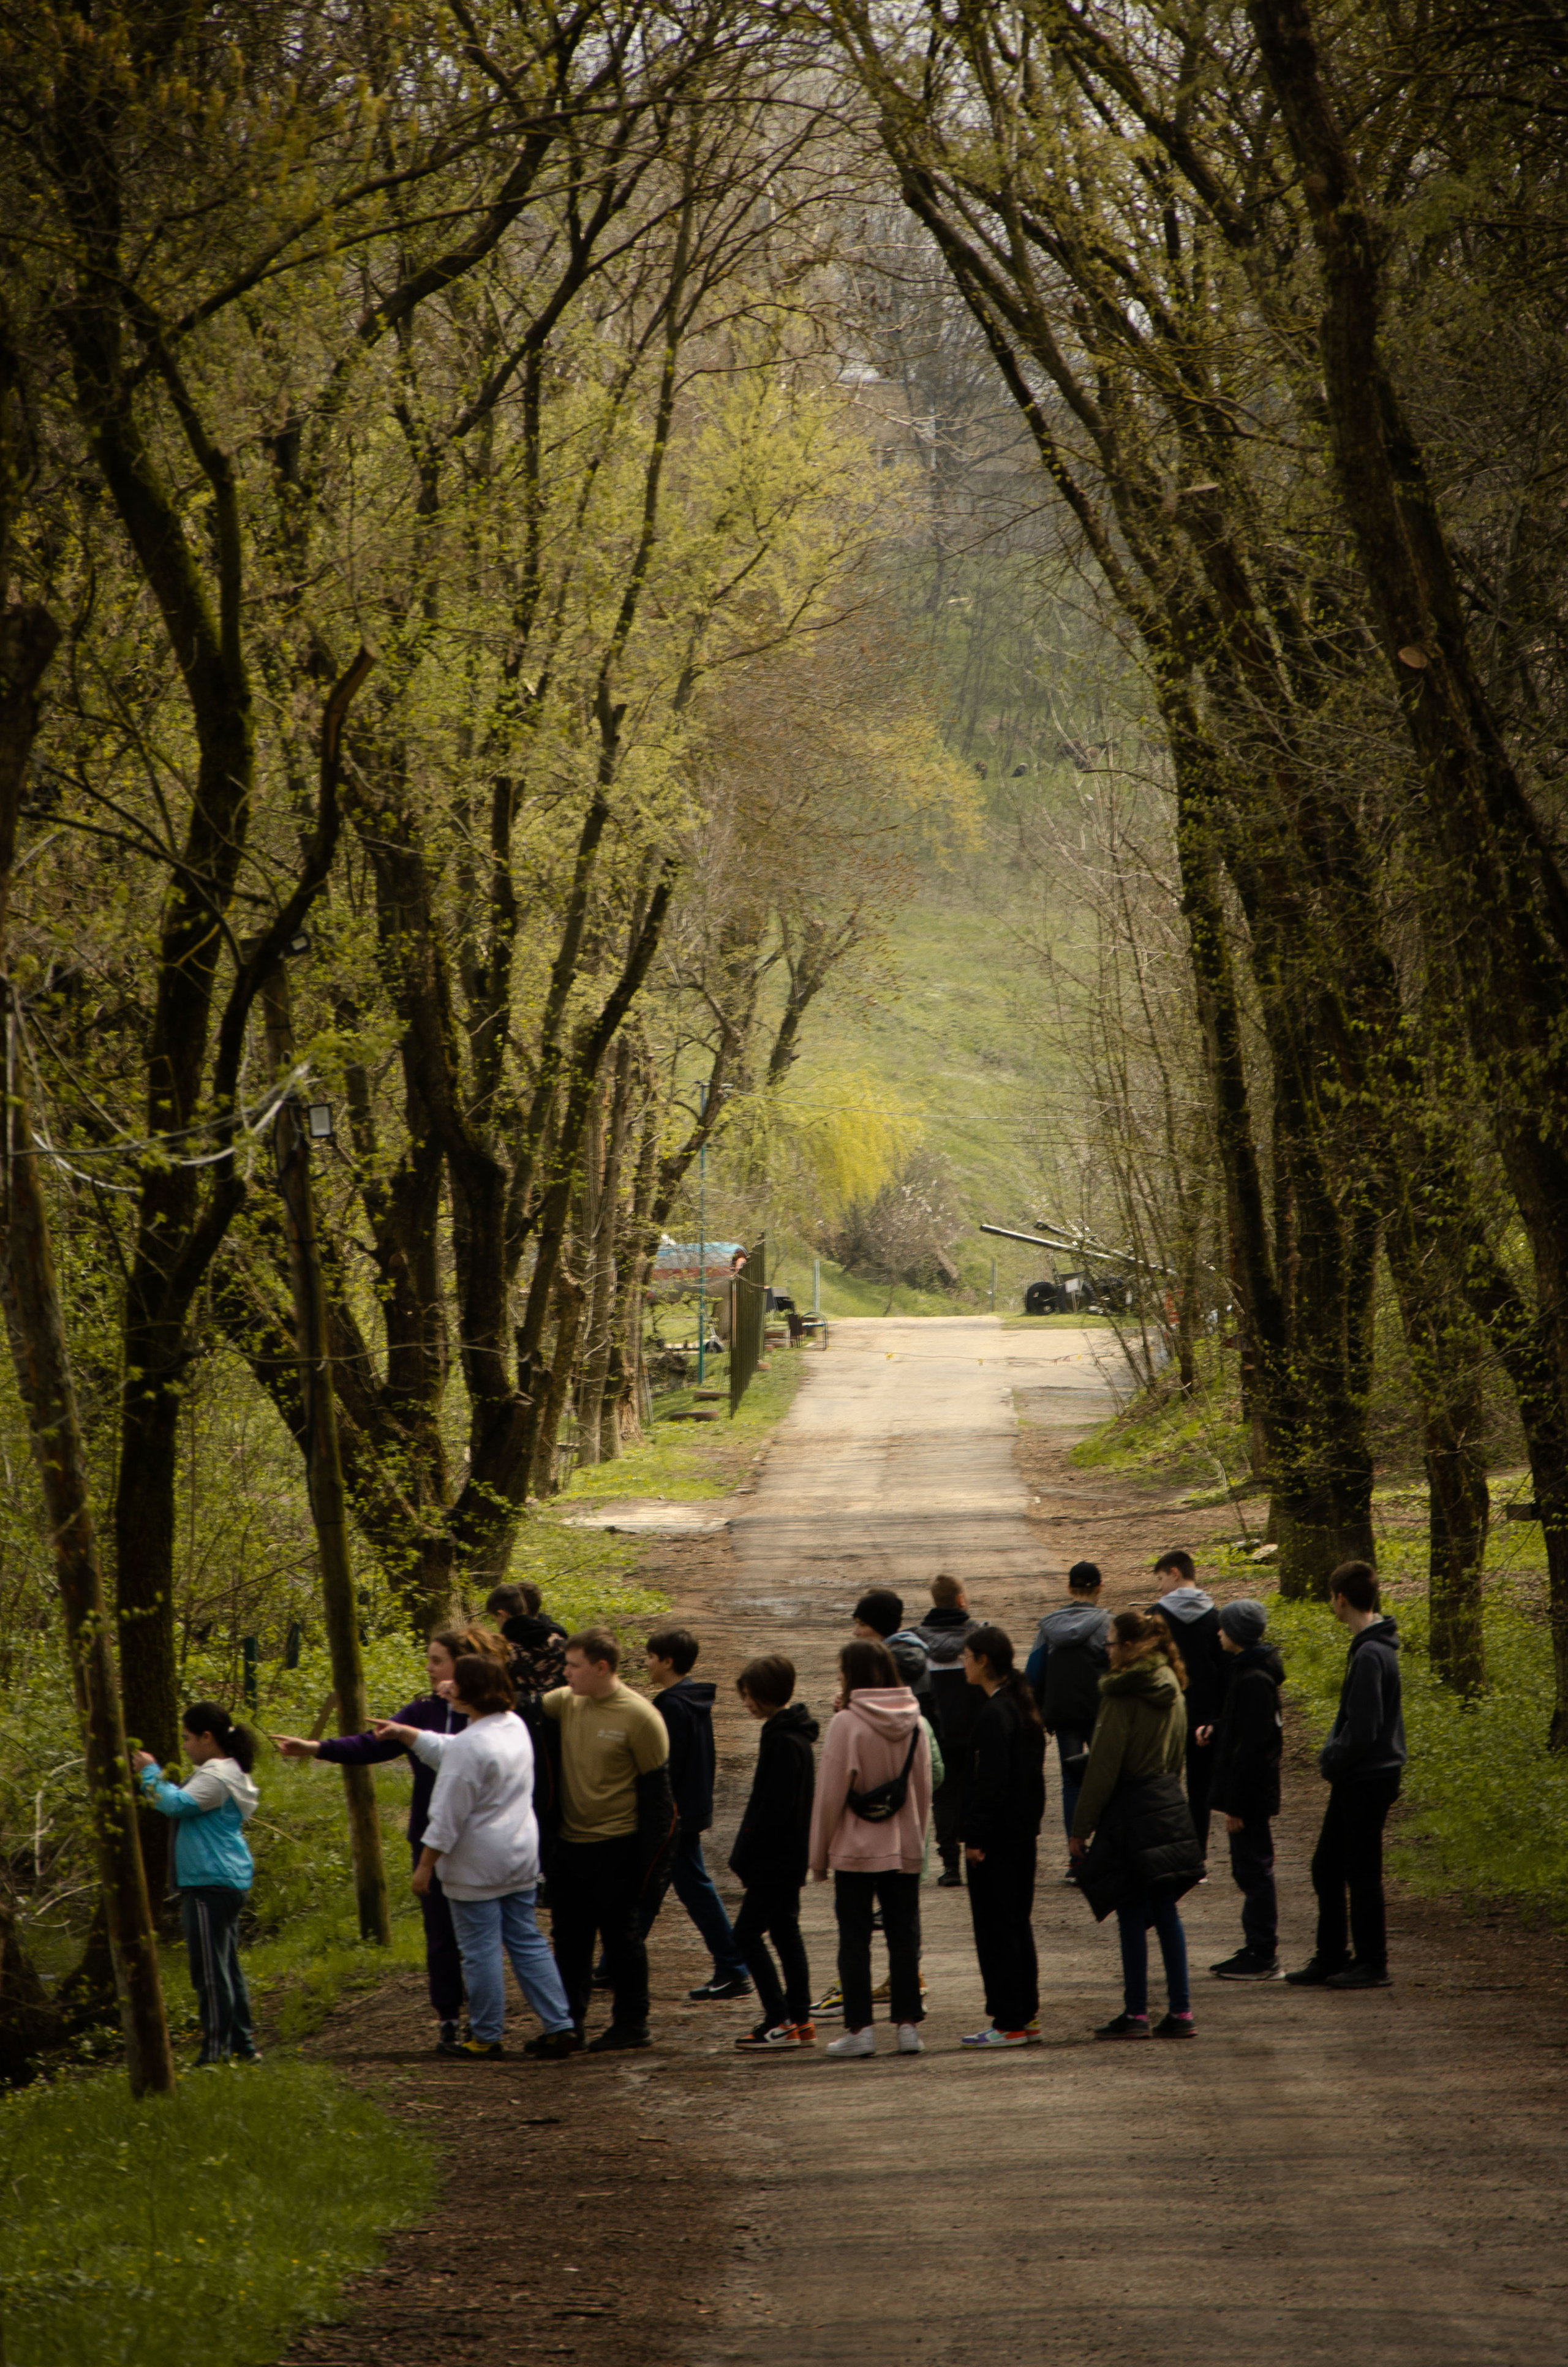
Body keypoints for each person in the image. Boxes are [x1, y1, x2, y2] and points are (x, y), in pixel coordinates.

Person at [273, 1622, 507, 2052]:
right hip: (430, 1840)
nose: (430, 1668)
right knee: (440, 1934)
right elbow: (372, 1745)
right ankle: (449, 2020)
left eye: (437, 1660)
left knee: (484, 1936)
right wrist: (315, 1748)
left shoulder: (495, 1714)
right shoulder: (422, 1712)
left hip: (483, 1841)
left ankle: (488, 2021)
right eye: (430, 1660)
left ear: (464, 1663)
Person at [375, 1655, 578, 2060]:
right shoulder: (513, 1725)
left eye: (456, 1682)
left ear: (471, 1691)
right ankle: (560, 2025)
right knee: (527, 1941)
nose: (447, 1686)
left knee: (480, 1949)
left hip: (476, 1867)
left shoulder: (471, 1744)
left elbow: (447, 1816)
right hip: (519, 1854)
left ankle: (485, 2036)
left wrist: (426, 1864)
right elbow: (456, 1749)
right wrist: (407, 1734)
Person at [1071, 1610, 1204, 2040]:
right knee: (1165, 1910)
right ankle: (1181, 2011)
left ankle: (1137, 2012)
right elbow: (1180, 1756)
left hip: (1130, 1807)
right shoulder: (1174, 1687)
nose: (1105, 1650)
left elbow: (1104, 1766)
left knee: (1130, 1907)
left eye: (1110, 1643)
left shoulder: (1121, 1694)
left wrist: (1081, 1826)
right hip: (1167, 1800)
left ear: (1129, 1647)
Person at [542, 1627, 677, 2051]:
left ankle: (632, 2024)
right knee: (569, 1941)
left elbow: (659, 1799)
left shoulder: (641, 1718)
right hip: (569, 1847)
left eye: (573, 1666)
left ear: (602, 1668)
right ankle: (568, 2025)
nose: (566, 1673)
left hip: (617, 1848)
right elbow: (512, 1710)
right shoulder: (564, 1702)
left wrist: (651, 1866)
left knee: (622, 1940)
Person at [809, 1637, 932, 2059]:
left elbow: (829, 1794)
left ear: (855, 1675)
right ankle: (907, 2026)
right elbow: (923, 1790)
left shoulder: (846, 1724)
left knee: (854, 1938)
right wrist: (916, 1838)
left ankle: (860, 2029)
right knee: (903, 1936)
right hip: (903, 1847)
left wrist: (818, 1855)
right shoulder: (915, 1720)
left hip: (855, 1848)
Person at [1287, 1560, 1406, 1990]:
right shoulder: (1372, 1645)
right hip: (1363, 1775)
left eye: (1330, 1597)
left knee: (1360, 1870)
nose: (1330, 1604)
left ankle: (1373, 1962)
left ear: (1341, 1598)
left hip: (1368, 1776)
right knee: (1328, 1866)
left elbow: (1365, 1727)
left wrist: (1332, 1758)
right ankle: (1333, 1956)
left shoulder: (1372, 1653)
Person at [134, 1702, 261, 2066]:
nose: (185, 1746)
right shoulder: (221, 1772)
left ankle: (216, 2050)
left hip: (210, 1883)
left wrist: (149, 1771)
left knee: (209, 1970)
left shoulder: (217, 1776)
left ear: (208, 1737)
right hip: (222, 1880)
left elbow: (173, 1805)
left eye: (188, 1738)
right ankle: (242, 2044)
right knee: (226, 1967)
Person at [639, 1628, 750, 2001]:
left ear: (668, 1661)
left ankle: (733, 1967)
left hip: (674, 1815)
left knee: (690, 1890)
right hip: (688, 1810)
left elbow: (665, 1766)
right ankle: (614, 1963)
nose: (647, 1663)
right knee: (648, 1888)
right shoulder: (692, 1700)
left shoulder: (671, 1705)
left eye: (651, 1657)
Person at [959, 1625, 1046, 2048]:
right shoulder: (1020, 1704)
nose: (962, 1663)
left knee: (997, 1929)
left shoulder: (997, 1713)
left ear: (984, 1660)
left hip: (997, 1841)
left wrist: (974, 1836)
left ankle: (1009, 2018)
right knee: (1015, 1924)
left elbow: (989, 1782)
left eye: (967, 1656)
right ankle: (1025, 2014)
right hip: (1020, 1836)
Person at [730, 1654, 820, 2050]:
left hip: (775, 1858)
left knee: (746, 1934)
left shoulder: (782, 1740)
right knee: (785, 1932)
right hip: (790, 1857)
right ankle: (800, 2019)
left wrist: (747, 1849)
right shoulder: (792, 1733)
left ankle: (778, 2016)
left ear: (766, 1694)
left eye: (749, 1696)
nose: (746, 1704)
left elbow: (771, 1807)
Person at [1204, 1599, 1286, 1980]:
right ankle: (1256, 1944)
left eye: (1223, 1628)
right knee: (1248, 1868)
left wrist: (1235, 1805)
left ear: (1235, 1633)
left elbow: (1253, 1749)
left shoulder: (1254, 1680)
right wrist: (1217, 1729)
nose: (1218, 1633)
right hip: (1251, 1794)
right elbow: (1242, 1727)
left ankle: (1263, 1952)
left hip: (1250, 1796)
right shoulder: (1247, 1673)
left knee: (1254, 1870)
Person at [1025, 1560, 1110, 1874]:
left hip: (1062, 1713)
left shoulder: (1049, 1628)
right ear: (1100, 1587)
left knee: (1071, 1782)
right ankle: (1105, 1853)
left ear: (1069, 1588)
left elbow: (1033, 1673)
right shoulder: (1108, 1626)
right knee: (1104, 1779)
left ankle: (1078, 1858)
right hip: (1102, 1712)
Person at [1151, 1549, 1227, 1859]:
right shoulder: (1216, 1617)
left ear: (1174, 1573)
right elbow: (1223, 1670)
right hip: (1204, 1712)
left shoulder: (1156, 1615)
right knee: (1200, 1785)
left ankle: (1164, 1851)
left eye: (1159, 1579)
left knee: (1162, 1782)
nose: (1158, 1587)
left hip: (1165, 1709)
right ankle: (1197, 1854)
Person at [911, 1574, 982, 1886]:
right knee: (976, 1793)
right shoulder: (978, 1639)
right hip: (975, 1731)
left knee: (943, 1796)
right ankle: (976, 1859)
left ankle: (951, 1866)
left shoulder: (916, 1642)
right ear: (961, 1600)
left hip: (935, 1732)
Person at [851, 1588, 935, 1723]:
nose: (855, 1632)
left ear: (880, 1627)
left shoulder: (879, 1666)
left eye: (862, 1625)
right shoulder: (917, 1654)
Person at [486, 1581, 568, 1704]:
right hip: (560, 1713)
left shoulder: (503, 1652)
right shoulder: (559, 1641)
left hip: (520, 1719)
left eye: (495, 1619)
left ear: (502, 1614)